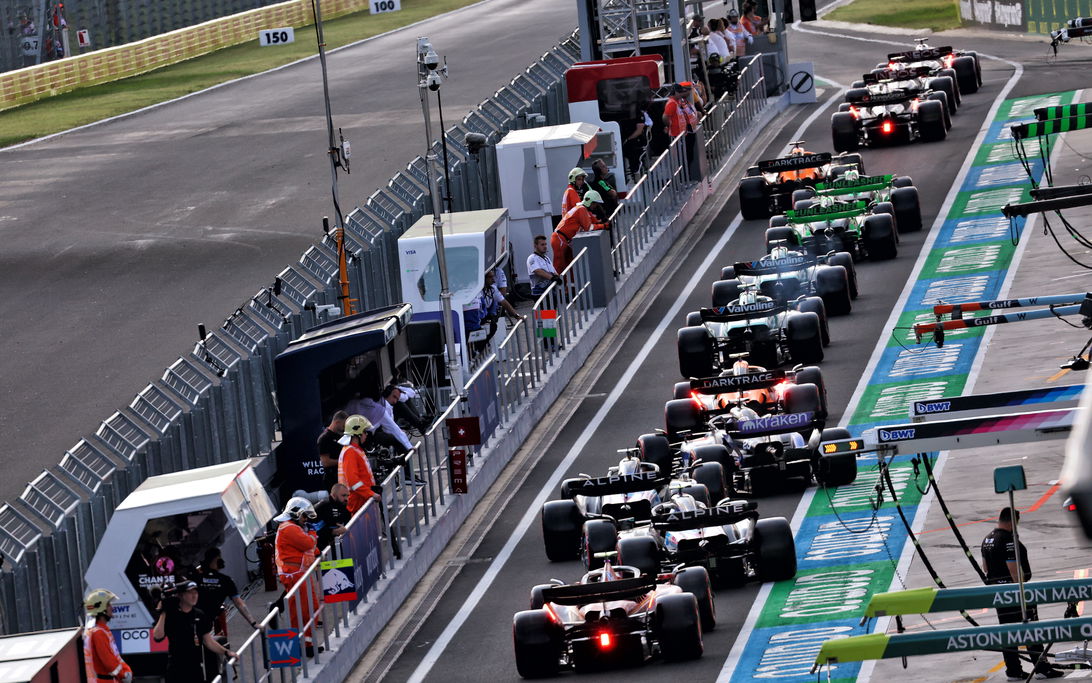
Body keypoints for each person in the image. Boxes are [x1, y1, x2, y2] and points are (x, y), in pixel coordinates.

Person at [981, 508, 1064, 680]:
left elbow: (986, 568)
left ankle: (1013, 671)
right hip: (1015, 593)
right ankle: (1041, 668)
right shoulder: (1008, 540)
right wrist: (1022, 594)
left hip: (999, 594)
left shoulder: (987, 539)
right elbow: (1014, 571)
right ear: (1013, 521)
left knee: (1008, 633)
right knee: (1031, 630)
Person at [153, 580, 237, 683]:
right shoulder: (171, 614)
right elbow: (157, 637)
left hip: (196, 668)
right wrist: (164, 611)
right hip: (175, 668)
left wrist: (226, 652)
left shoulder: (199, 615)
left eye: (196, 592)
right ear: (181, 595)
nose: (194, 596)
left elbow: (208, 642)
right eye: (190, 593)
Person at [272, 498, 321, 654]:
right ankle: (302, 646)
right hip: (294, 574)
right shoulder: (288, 528)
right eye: (304, 516)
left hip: (301, 573)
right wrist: (312, 533)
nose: (306, 519)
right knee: (300, 610)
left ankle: (307, 643)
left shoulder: (296, 528)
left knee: (311, 607)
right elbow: (308, 544)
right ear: (296, 513)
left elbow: (312, 549)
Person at [193, 547, 259, 637]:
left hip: (194, 622)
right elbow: (239, 603)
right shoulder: (226, 580)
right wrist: (253, 623)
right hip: (202, 623)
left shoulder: (196, 578)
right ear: (217, 559)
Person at [551, 190, 609, 274]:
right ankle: (556, 282)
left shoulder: (582, 209)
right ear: (590, 202)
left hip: (563, 239)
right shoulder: (581, 209)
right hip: (560, 238)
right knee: (559, 266)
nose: (595, 206)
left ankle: (568, 283)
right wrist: (604, 226)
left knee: (569, 266)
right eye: (595, 203)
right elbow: (588, 228)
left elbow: (591, 222)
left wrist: (601, 223)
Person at [83, 589, 133, 683]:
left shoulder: (100, 630)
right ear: (101, 609)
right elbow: (109, 662)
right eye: (108, 605)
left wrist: (125, 670)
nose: (112, 608)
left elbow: (115, 657)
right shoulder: (98, 633)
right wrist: (123, 674)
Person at [338, 415, 380, 513]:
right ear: (358, 434)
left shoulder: (354, 450)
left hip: (361, 500)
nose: (366, 435)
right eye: (365, 431)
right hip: (358, 502)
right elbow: (353, 482)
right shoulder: (351, 452)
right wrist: (371, 494)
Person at [313, 483, 351, 550]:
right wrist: (333, 531)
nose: (346, 499)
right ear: (334, 495)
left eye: (347, 496)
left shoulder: (343, 506)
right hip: (323, 549)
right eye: (343, 495)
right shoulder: (323, 507)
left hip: (339, 545)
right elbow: (312, 529)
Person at [317, 411, 348, 492]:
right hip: (332, 479)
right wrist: (344, 461)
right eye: (343, 425)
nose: (344, 428)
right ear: (337, 422)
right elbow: (325, 462)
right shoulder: (324, 438)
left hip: (343, 476)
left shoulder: (341, 436)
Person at [620, 106, 653, 182]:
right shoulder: (624, 113)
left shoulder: (638, 113)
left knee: (635, 158)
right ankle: (632, 176)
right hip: (626, 141)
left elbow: (639, 131)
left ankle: (637, 177)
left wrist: (627, 139)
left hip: (637, 142)